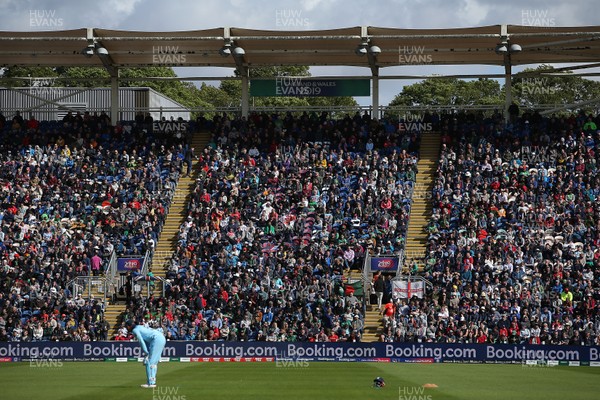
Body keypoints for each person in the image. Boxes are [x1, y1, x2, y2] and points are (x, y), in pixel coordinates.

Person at [125, 320, 166, 388]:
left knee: (149, 362)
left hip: (156, 339)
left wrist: (146, 352)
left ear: (129, 326)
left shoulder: (135, 330)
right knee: (153, 362)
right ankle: (152, 381)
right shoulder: (139, 327)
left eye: (127, 327)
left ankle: (151, 383)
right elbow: (146, 340)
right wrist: (148, 351)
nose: (126, 328)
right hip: (160, 337)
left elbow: (141, 341)